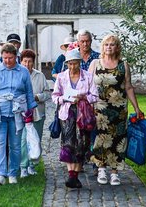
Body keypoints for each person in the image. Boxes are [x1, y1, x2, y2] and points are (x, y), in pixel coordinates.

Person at [0, 42, 37, 186]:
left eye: (10, 58)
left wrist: (31, 110)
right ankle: (0, 174)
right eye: (5, 58)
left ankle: (13, 173)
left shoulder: (23, 72)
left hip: (17, 113)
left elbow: (29, 92)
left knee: (15, 145)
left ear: (16, 57)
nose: (7, 61)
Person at [90, 34, 143, 186]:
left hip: (119, 109)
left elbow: (128, 87)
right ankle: (101, 168)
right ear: (103, 47)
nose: (109, 47)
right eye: (106, 44)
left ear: (117, 47)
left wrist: (137, 108)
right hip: (99, 108)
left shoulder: (123, 65)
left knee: (118, 139)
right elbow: (88, 85)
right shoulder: (95, 63)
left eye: (112, 44)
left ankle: (114, 172)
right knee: (101, 138)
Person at [52, 47, 99, 189]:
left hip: (83, 114)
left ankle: (74, 176)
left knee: (81, 143)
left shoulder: (88, 77)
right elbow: (54, 96)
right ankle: (71, 175)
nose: (73, 66)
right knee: (68, 143)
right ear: (66, 64)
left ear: (79, 62)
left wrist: (84, 97)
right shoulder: (61, 77)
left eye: (75, 63)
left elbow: (95, 96)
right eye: (70, 63)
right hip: (67, 113)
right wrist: (64, 99)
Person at [19, 49, 51, 177]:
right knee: (23, 141)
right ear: (21, 62)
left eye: (30, 62)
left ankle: (32, 165)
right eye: (25, 61)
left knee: (35, 139)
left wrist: (36, 97)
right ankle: (23, 167)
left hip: (37, 113)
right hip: (22, 113)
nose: (27, 64)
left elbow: (47, 93)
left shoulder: (40, 76)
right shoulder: (18, 75)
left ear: (33, 62)